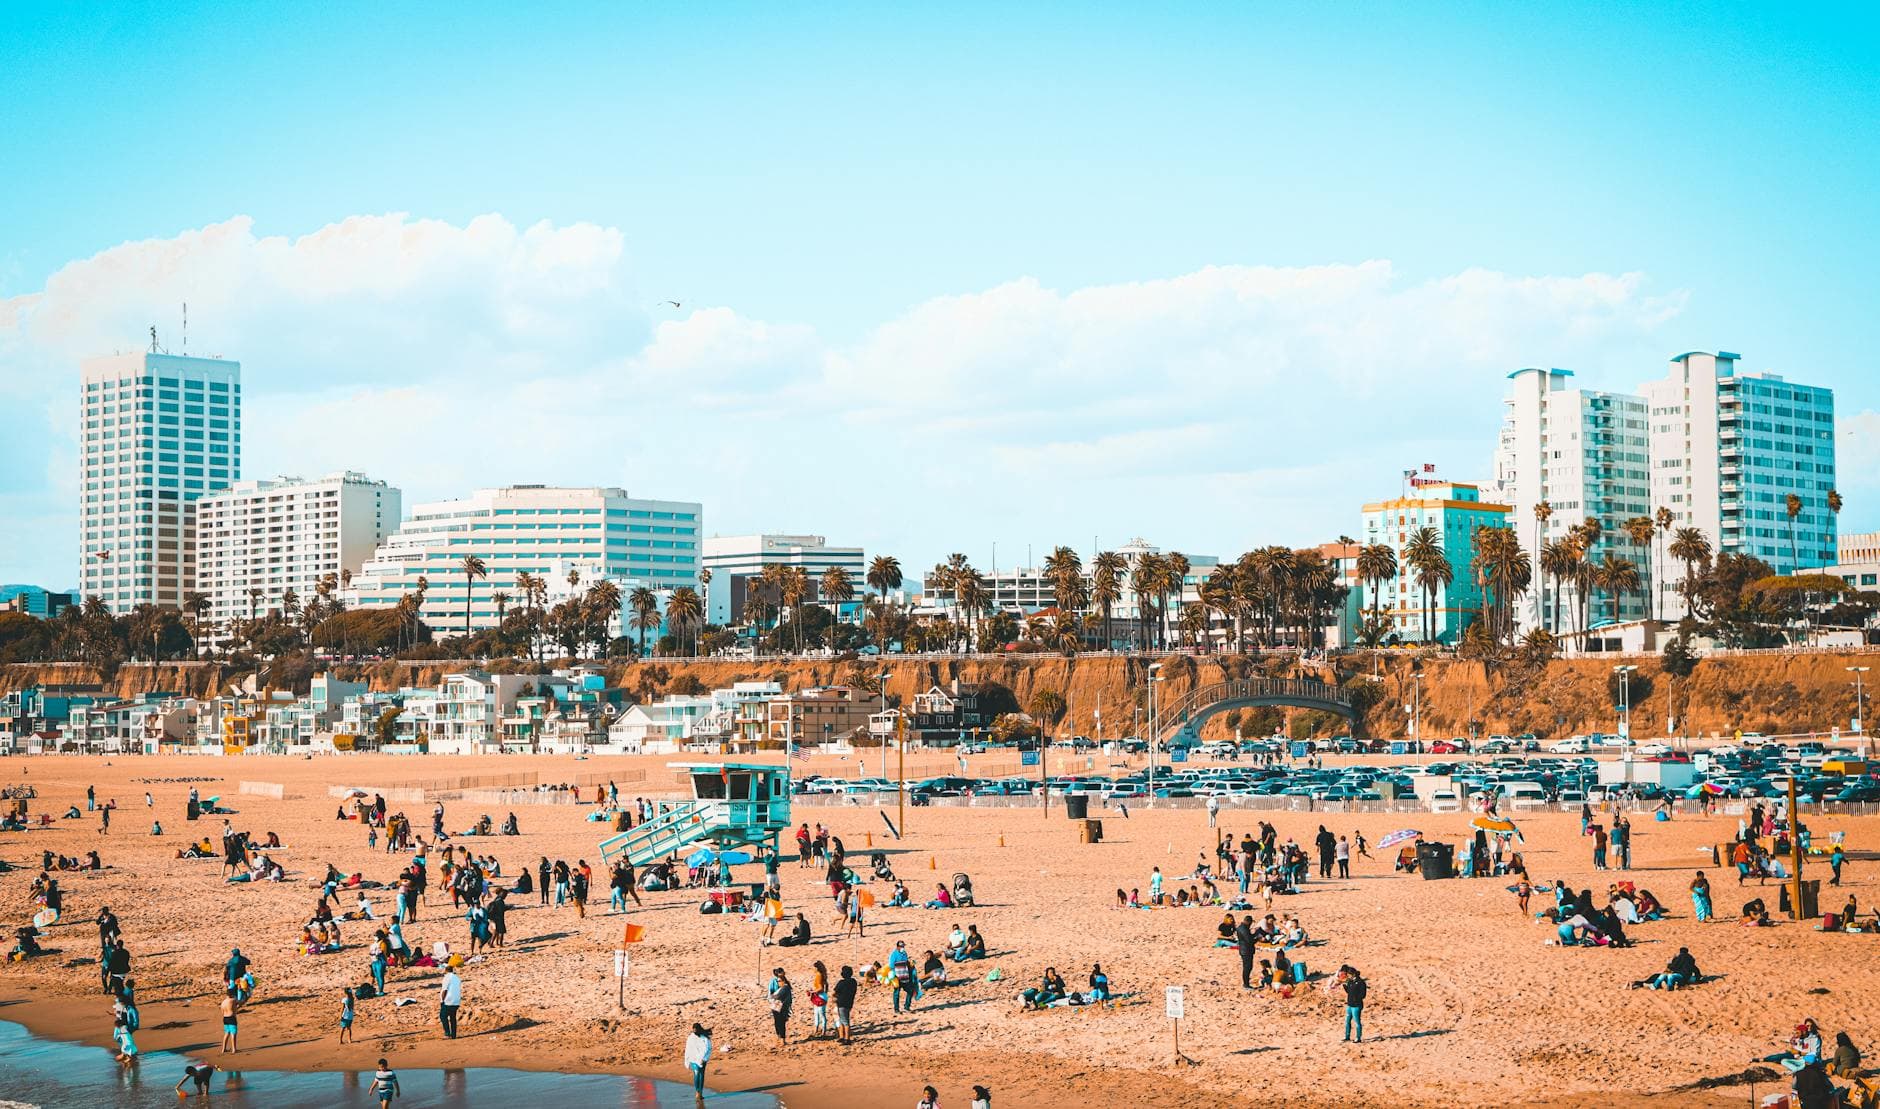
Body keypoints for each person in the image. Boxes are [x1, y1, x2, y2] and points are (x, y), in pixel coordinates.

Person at [1634, 947, 1702, 991]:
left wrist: (1670, 961)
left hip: (1679, 976)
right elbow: (1696, 970)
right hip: (1686, 977)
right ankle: (1654, 985)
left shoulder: (1680, 958)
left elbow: (1671, 967)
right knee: (1666, 976)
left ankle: (1655, 986)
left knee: (1664, 975)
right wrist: (1698, 978)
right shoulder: (1690, 960)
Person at [684, 1023, 712, 1099]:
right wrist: (687, 1060)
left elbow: (709, 1049)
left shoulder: (705, 1038)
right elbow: (687, 1049)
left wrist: (704, 1059)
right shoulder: (690, 1038)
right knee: (696, 1073)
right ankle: (697, 1092)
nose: (694, 1031)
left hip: (703, 1059)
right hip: (693, 1059)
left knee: (702, 1074)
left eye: (696, 1029)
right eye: (693, 1029)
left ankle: (700, 1092)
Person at [1340, 965, 1367, 1044]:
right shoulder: (1350, 981)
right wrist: (1344, 985)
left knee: (1357, 1022)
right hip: (1350, 1005)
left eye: (1348, 974)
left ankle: (1358, 1038)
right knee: (1347, 1021)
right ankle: (1347, 1036)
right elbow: (1349, 991)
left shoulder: (1361, 982)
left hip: (1356, 1006)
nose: (1347, 976)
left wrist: (1355, 999)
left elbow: (1363, 995)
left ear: (1353, 974)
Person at [834, 965, 859, 1044]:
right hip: (849, 1003)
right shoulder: (853, 982)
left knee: (844, 1021)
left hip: (841, 1003)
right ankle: (842, 1037)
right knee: (843, 1020)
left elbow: (835, 992)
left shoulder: (841, 983)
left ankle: (847, 1038)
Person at [768, 967, 793, 1044]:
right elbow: (770, 993)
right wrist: (772, 1000)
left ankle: (782, 1039)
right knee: (777, 1021)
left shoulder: (786, 984)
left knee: (782, 1022)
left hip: (783, 1005)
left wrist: (789, 1005)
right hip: (775, 1004)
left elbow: (789, 996)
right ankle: (779, 1036)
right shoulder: (773, 981)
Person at [439, 967, 462, 1038]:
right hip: (456, 1000)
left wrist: (442, 1000)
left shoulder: (447, 977)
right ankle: (453, 1034)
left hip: (448, 1000)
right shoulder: (457, 978)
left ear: (446, 971)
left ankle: (447, 1033)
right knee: (453, 1017)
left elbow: (445, 990)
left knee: (443, 1016)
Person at [220, 988, 240, 1053]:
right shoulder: (232, 1000)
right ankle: (234, 1049)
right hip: (231, 1017)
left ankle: (223, 1049)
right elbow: (239, 1003)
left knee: (226, 1033)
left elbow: (222, 1012)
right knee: (233, 1033)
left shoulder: (223, 1002)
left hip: (225, 1018)